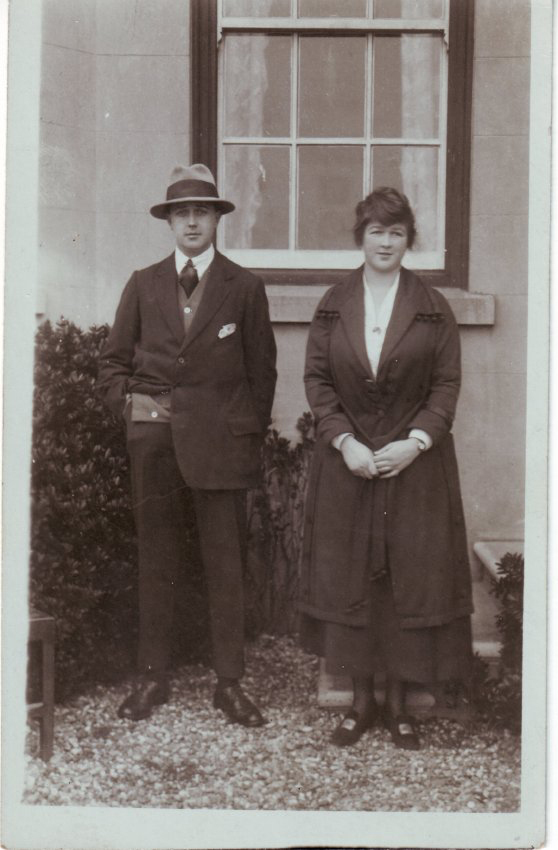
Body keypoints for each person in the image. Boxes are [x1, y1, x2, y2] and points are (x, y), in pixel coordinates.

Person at [97, 164, 277, 726]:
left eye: (202, 211)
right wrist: (132, 411)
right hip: (154, 447)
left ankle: (230, 683)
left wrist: (241, 436)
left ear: (218, 219)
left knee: (225, 565)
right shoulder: (143, 283)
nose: (192, 221)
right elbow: (112, 364)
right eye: (182, 213)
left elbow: (262, 374)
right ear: (169, 223)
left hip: (219, 449)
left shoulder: (243, 287)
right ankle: (153, 677)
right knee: (157, 561)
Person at [299, 187, 473, 750]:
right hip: (350, 465)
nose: (385, 241)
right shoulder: (334, 302)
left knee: (405, 578)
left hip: (414, 468)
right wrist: (343, 441)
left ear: (408, 240)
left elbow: (446, 384)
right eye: (376, 230)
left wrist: (416, 441)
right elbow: (318, 381)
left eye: (396, 232)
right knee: (355, 577)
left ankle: (398, 705)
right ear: (361, 236)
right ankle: (360, 702)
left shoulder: (431, 305)